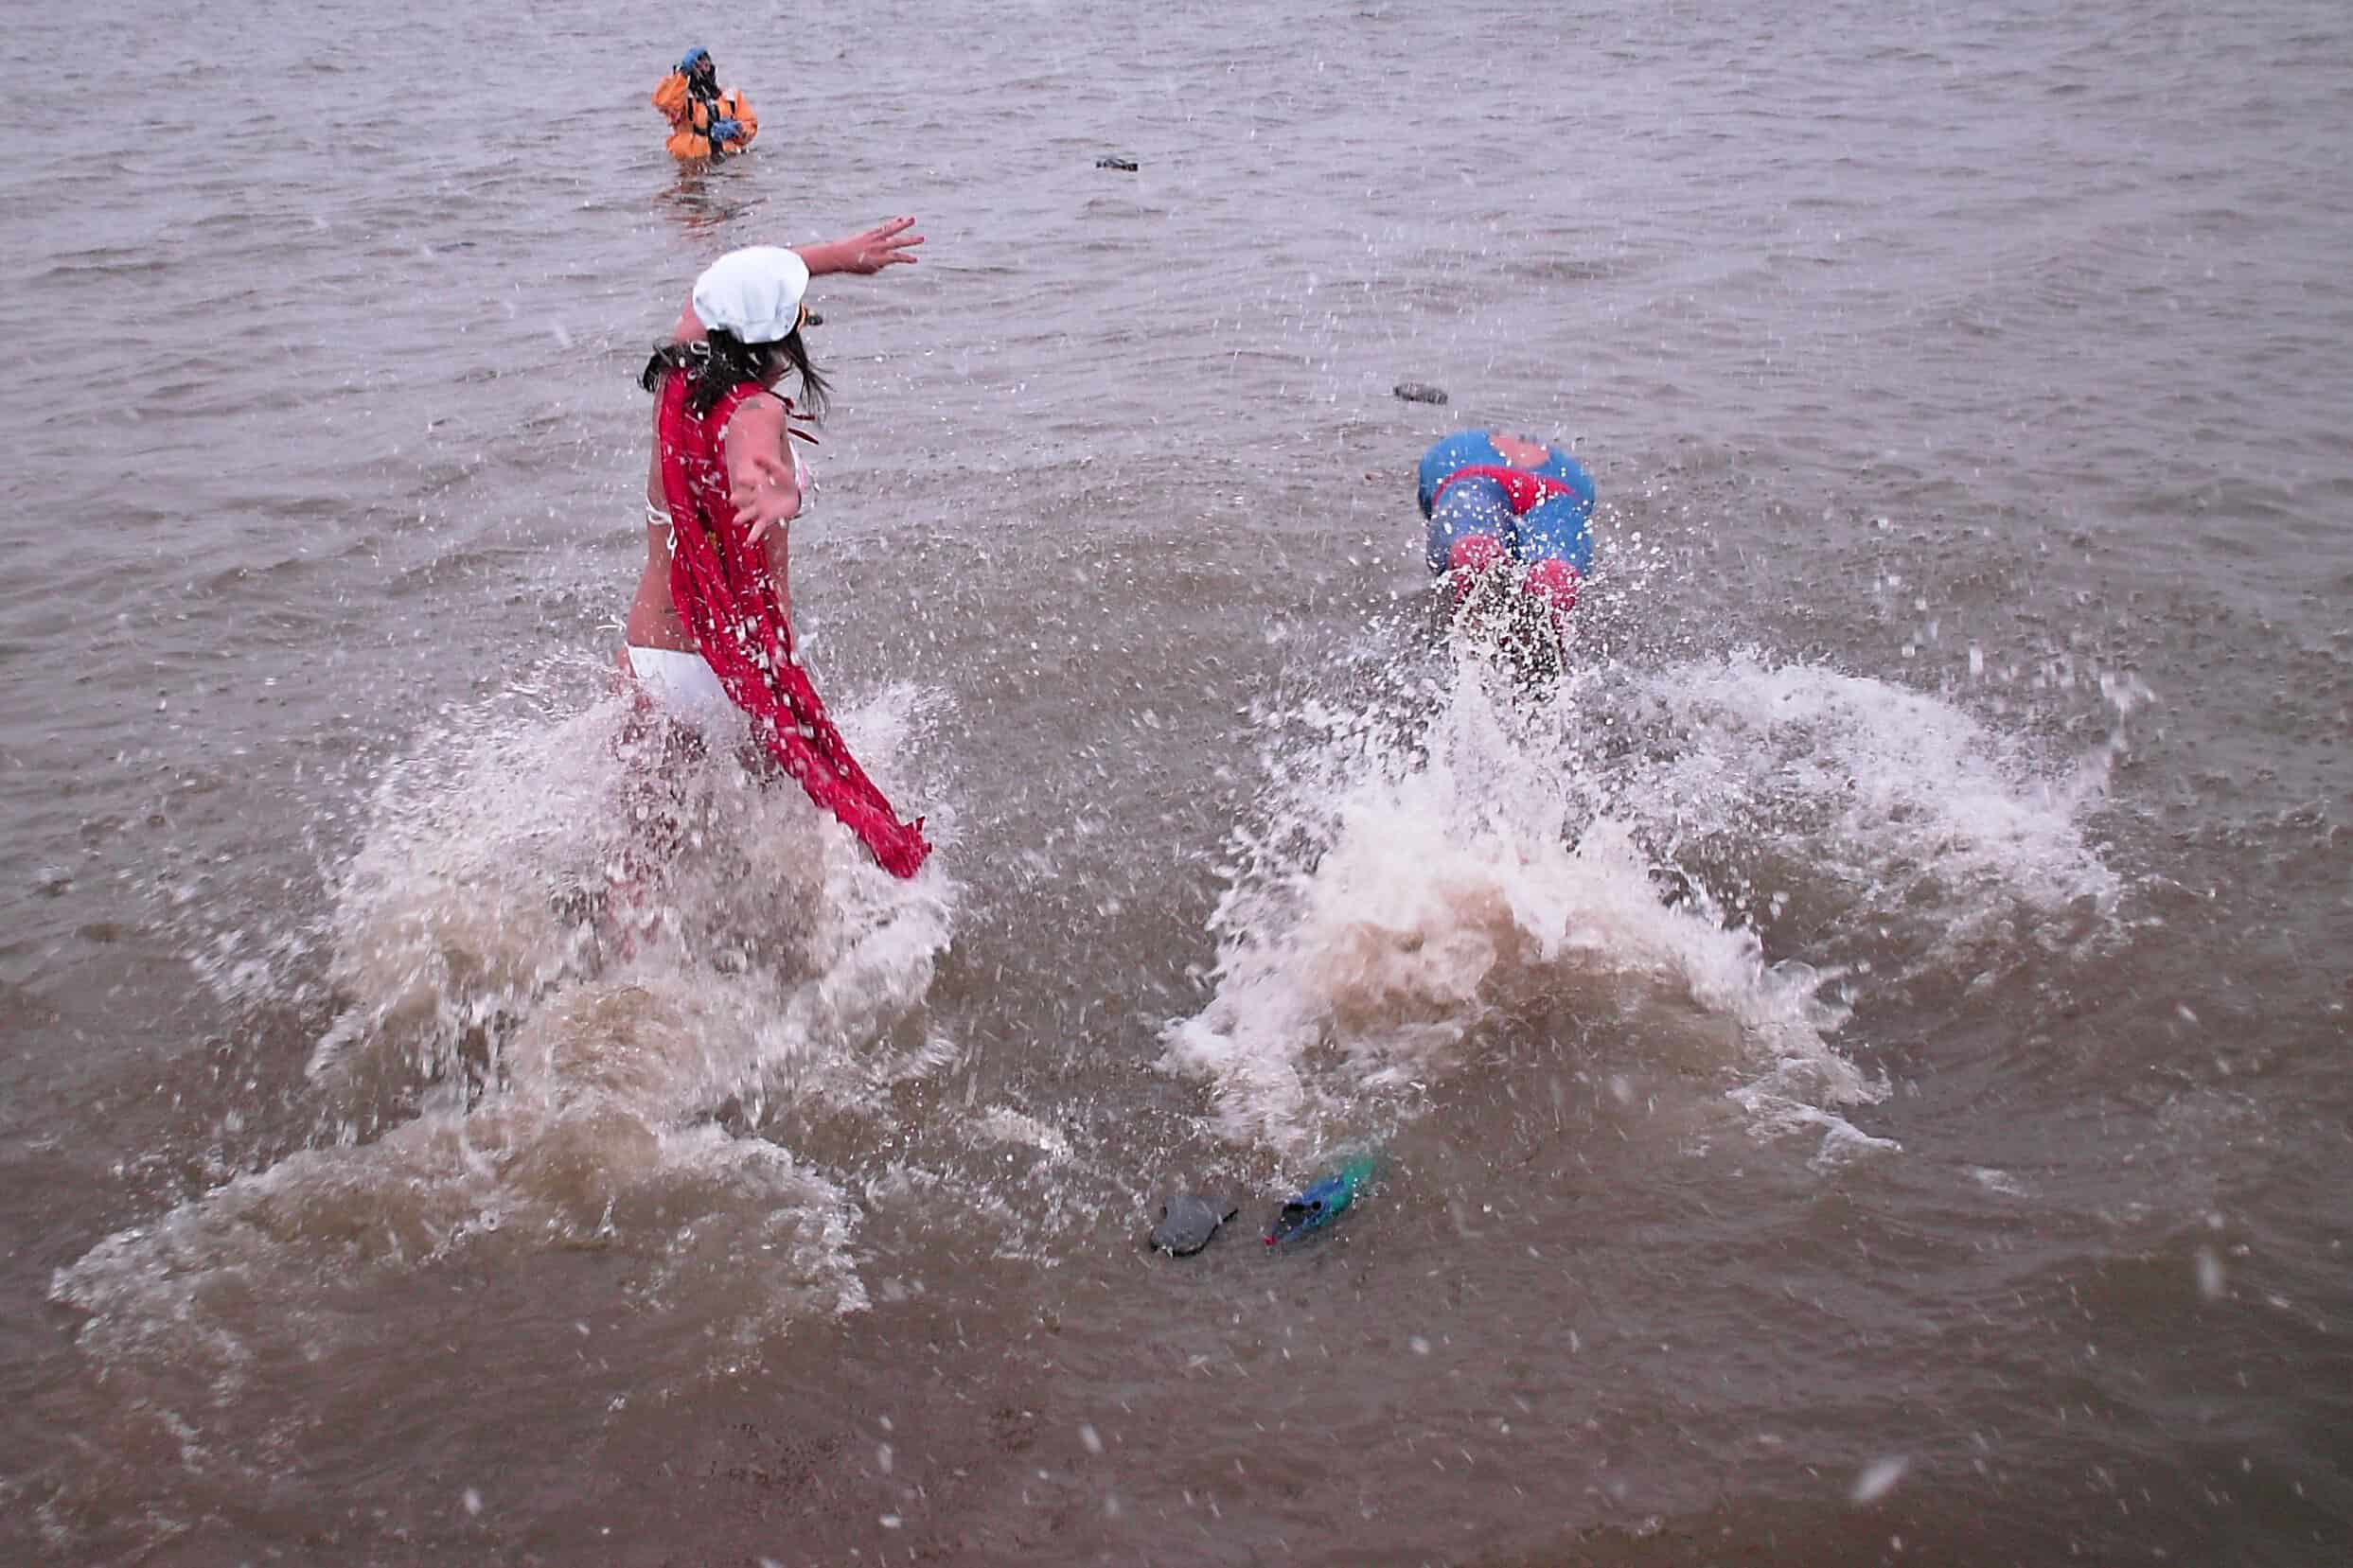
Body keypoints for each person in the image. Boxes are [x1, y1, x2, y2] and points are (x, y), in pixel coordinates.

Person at [622, 220, 930, 878]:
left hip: (652, 655)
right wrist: (775, 490)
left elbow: (725, 279)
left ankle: (629, 969)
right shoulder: (758, 407)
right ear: (783, 341)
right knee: (802, 824)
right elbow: (751, 451)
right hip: (734, 665)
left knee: (646, 858)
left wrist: (837, 259)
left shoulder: (676, 376)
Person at [1416, 428, 1596, 634]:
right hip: (1562, 487)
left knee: (1473, 539)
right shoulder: (1572, 469)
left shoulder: (1452, 448)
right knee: (1557, 558)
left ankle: (1478, 556)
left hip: (1470, 473)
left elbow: (1431, 508)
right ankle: (1553, 583)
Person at [652, 46, 758, 162]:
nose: (703, 69)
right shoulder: (682, 95)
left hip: (727, 160)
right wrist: (682, 74)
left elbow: (751, 126)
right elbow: (665, 104)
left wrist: (736, 129)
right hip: (691, 163)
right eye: (698, 66)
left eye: (706, 65)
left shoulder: (730, 96)